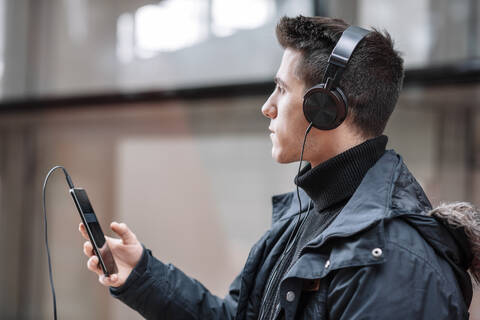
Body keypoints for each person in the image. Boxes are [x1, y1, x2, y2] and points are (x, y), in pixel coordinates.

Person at [79, 16, 479, 319]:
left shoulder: (394, 261)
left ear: (325, 108)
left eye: (282, 89)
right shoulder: (306, 215)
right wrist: (142, 275)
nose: (267, 107)